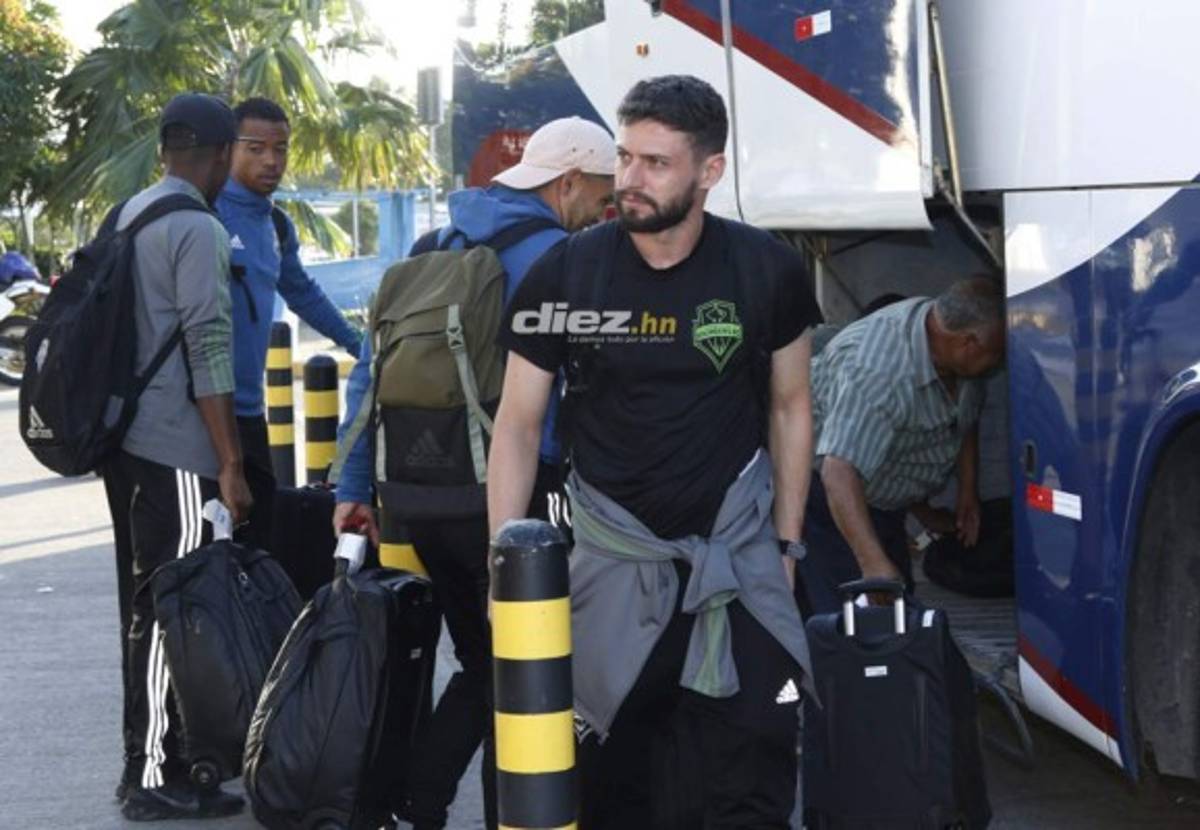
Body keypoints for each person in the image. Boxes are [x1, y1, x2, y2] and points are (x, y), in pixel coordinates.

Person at [488, 75, 820, 828]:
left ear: (710, 171)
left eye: (656, 163)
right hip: (612, 565)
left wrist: (789, 543)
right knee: (615, 783)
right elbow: (515, 424)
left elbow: (791, 405)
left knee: (756, 768)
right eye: (627, 157)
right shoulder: (568, 270)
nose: (630, 180)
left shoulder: (766, 270)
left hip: (734, 564)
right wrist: (503, 564)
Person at [333, 115, 616, 830]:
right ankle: (465, 807)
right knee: (527, 670)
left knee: (490, 661)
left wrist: (350, 486)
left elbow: (369, 378)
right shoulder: (558, 257)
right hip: (516, 496)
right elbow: (583, 389)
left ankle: (423, 804)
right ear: (569, 181)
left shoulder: (432, 243)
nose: (606, 209)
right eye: (602, 194)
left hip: (419, 497)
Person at [100, 92, 252, 821]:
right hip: (175, 449)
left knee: (146, 606)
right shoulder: (196, 226)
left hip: (125, 443)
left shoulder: (130, 214)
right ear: (220, 155)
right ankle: (152, 772)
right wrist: (230, 462)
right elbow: (208, 349)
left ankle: (166, 757)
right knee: (171, 610)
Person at [796, 278, 1005, 616]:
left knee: (897, 607)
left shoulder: (950, 345)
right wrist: (872, 563)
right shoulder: (877, 369)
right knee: (859, 619)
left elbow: (964, 420)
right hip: (831, 501)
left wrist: (968, 492)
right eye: (997, 355)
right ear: (969, 343)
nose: (999, 364)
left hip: (882, 499)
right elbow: (839, 472)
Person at [215, 97, 362, 549]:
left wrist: (366, 346)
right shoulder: (205, 214)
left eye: (281, 148)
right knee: (199, 554)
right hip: (199, 416)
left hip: (248, 413)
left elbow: (302, 293)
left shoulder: (276, 225)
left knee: (259, 543)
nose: (271, 160)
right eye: (255, 148)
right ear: (227, 149)